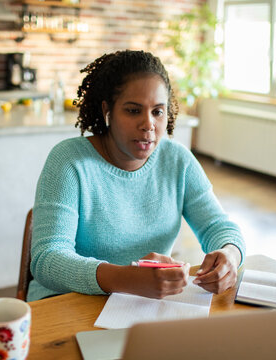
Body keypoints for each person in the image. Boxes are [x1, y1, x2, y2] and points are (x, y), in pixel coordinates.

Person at [27, 50, 245, 302]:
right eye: (133, 111)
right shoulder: (68, 161)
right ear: (107, 110)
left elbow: (218, 226)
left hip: (142, 306)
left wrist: (230, 253)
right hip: (65, 302)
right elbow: (47, 259)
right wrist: (124, 279)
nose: (148, 124)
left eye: (158, 111)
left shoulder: (178, 160)